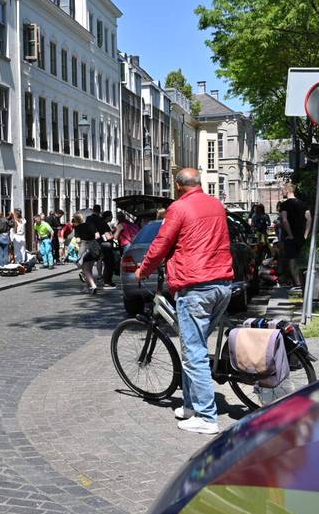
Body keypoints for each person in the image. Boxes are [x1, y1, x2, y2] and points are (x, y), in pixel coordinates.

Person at [135, 167, 234, 435]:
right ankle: (190, 405)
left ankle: (206, 416)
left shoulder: (178, 208)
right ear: (198, 183)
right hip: (222, 285)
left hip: (195, 285)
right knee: (196, 345)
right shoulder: (216, 204)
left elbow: (161, 244)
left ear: (178, 186)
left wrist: (143, 269)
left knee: (193, 352)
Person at [277, 184, 311, 289]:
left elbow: (284, 220)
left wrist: (290, 234)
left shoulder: (285, 205)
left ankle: (298, 283)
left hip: (290, 237)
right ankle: (304, 281)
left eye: (282, 190)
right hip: (302, 236)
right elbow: (309, 219)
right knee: (303, 258)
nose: (282, 192)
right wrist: (306, 234)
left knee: (292, 259)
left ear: (287, 191)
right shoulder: (302, 203)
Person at [72, 213, 101, 293]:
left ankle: (93, 285)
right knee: (90, 269)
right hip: (94, 247)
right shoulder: (91, 224)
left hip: (85, 248)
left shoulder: (77, 228)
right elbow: (97, 236)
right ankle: (86, 287)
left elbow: (78, 240)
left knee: (85, 270)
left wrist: (80, 240)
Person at [88, 205, 115, 287]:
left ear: (93, 210)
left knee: (90, 263)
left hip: (90, 242)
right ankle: (104, 279)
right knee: (107, 262)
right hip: (101, 243)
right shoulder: (101, 221)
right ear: (100, 211)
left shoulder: (88, 219)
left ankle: (89, 282)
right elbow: (107, 236)